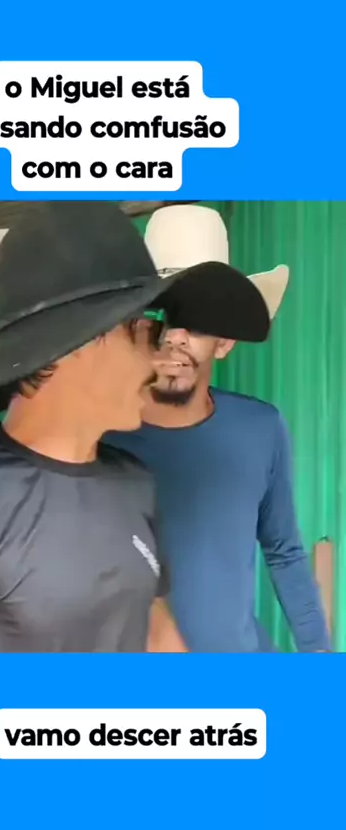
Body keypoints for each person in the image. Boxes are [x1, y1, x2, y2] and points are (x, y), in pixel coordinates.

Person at [0, 201, 263, 654]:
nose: (158, 360)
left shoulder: (134, 482)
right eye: (149, 332)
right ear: (80, 344)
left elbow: (158, 638)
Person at [104, 204, 331, 653]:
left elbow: (284, 551)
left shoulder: (260, 428)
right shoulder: (99, 436)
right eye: (161, 315)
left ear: (225, 341)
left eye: (197, 320)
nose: (175, 337)